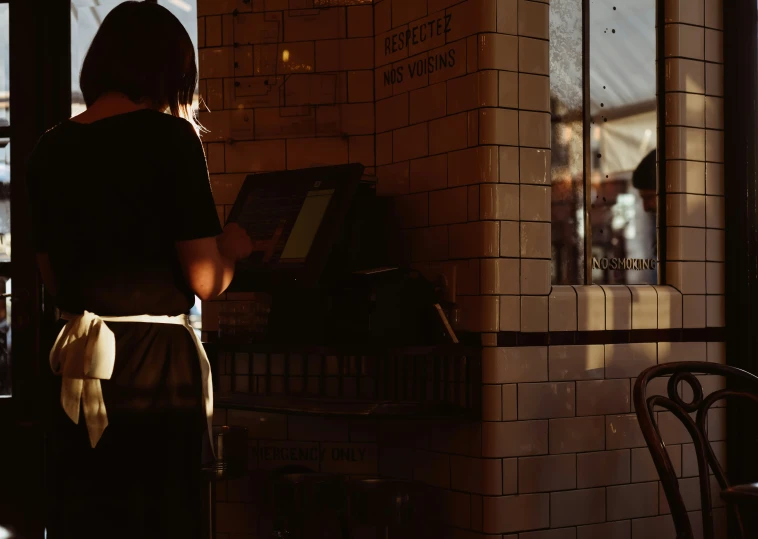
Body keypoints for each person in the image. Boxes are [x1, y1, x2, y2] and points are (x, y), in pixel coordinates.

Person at [25, 2, 253, 538]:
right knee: (155, 515)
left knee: (86, 512)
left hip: (77, 356)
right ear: (171, 71)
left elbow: (53, 277)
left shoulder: (47, 150)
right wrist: (233, 249)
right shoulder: (170, 140)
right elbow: (204, 280)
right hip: (154, 367)